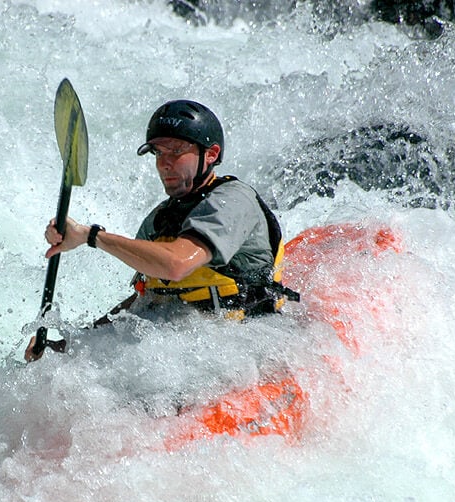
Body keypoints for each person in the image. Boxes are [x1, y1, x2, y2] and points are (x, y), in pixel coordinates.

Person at [26, 99, 296, 362]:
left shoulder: (234, 200)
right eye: (158, 153)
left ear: (211, 154)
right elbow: (144, 300)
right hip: (185, 356)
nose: (164, 163)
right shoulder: (158, 221)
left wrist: (91, 236)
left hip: (251, 346)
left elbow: (176, 264)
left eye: (176, 151)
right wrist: (67, 348)